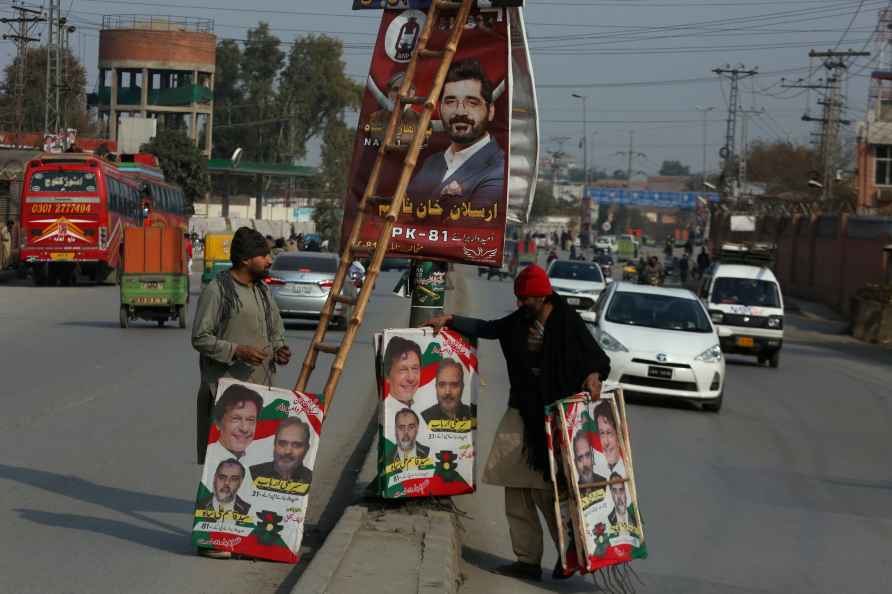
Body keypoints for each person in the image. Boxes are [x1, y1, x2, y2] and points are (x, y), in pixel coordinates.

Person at [425, 265, 611, 582]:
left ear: (542, 295)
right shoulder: (521, 321)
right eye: (519, 298)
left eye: (526, 298)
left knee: (547, 492)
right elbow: (492, 328)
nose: (521, 304)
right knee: (514, 486)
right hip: (521, 411)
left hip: (555, 419)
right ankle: (527, 559)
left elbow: (596, 358)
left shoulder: (567, 321)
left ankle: (570, 553)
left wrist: (593, 376)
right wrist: (452, 321)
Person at [192, 227, 291, 466]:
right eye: (263, 256)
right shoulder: (218, 290)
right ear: (246, 259)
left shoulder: (263, 290)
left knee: (258, 462)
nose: (269, 261)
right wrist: (238, 351)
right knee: (224, 465)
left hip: (260, 391)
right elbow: (200, 337)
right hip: (225, 394)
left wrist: (280, 348)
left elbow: (276, 329)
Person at [406, 59, 505, 216]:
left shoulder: (499, 170)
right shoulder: (432, 163)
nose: (460, 112)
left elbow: (473, 230)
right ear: (439, 110)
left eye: (472, 103)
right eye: (450, 102)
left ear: (490, 111)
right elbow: (401, 215)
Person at [206, 384, 264, 462]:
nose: (244, 428)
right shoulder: (207, 458)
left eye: (250, 420)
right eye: (236, 419)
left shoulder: (257, 461)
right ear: (218, 423)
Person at [250, 418, 313, 486]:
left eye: (296, 445)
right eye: (282, 443)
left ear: (307, 448)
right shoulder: (251, 474)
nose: (287, 451)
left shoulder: (313, 480)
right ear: (274, 444)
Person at [422, 359, 476, 423]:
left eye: (454, 385)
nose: (447, 392)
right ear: (436, 387)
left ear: (462, 387)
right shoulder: (424, 418)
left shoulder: (473, 415)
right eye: (442, 385)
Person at [383, 336, 422, 406]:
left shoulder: (421, 410)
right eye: (403, 370)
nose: (411, 378)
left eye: (415, 368)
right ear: (387, 376)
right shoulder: (384, 414)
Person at [593, 401, 625, 477]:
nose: (606, 442)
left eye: (609, 432)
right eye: (602, 433)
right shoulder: (596, 474)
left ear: (619, 434)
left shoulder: (629, 470)